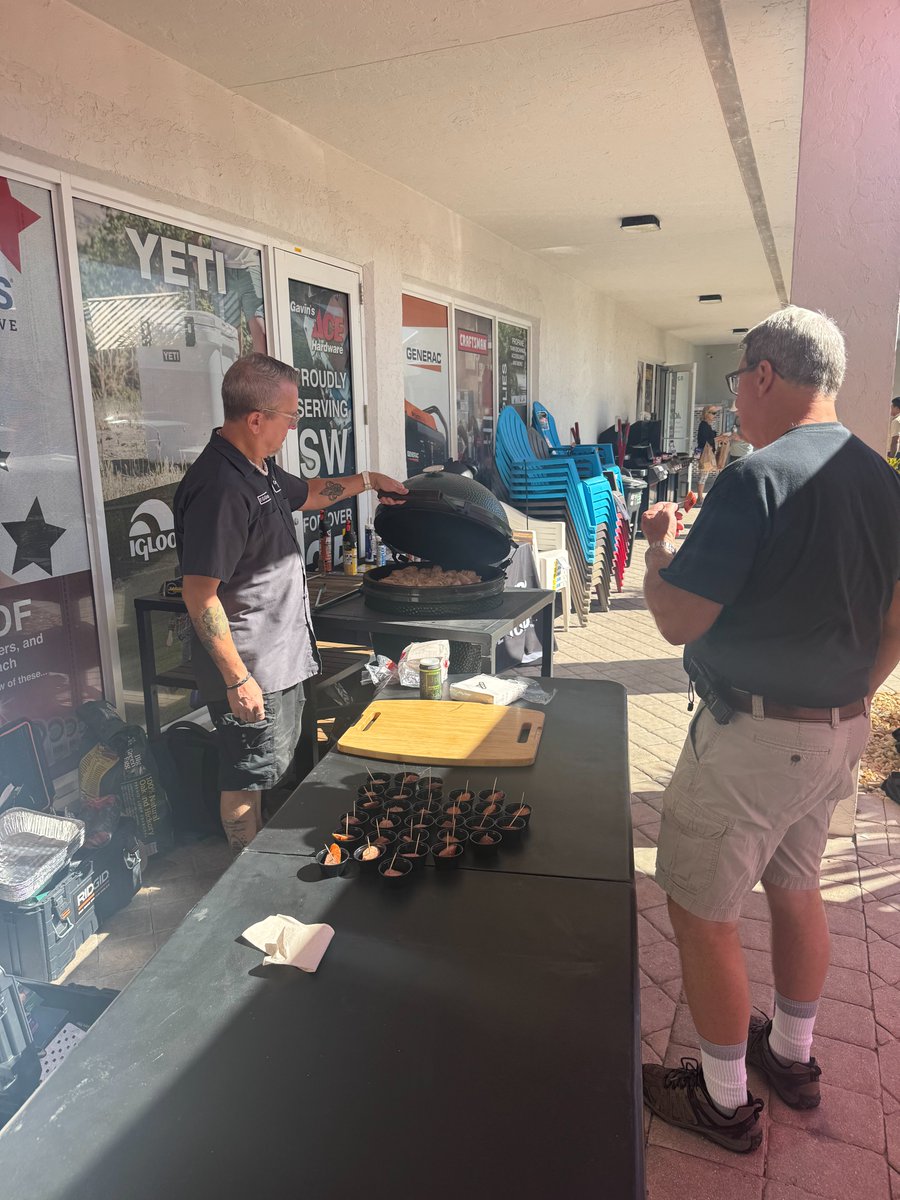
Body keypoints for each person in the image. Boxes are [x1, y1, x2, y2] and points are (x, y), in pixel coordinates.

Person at [639, 306, 900, 1153]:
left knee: (701, 909)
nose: (736, 407)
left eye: (736, 385)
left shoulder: (755, 478)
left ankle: (723, 1099)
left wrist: (654, 555)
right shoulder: (883, 478)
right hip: (840, 733)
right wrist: (846, 697)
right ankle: (791, 1056)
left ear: (762, 375)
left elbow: (679, 620)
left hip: (754, 740)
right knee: (796, 888)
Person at [174, 353, 407, 854]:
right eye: (290, 418)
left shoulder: (259, 469)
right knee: (246, 775)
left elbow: (314, 494)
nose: (293, 427)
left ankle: (263, 861)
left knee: (273, 767)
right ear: (256, 418)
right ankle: (242, 881)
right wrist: (238, 679)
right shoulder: (221, 488)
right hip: (250, 667)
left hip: (281, 660)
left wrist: (368, 480)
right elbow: (200, 592)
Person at [694, 406, 723, 502]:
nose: (715, 415)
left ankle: (700, 497)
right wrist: (718, 438)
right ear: (707, 413)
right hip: (704, 453)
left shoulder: (707, 425)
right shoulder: (704, 425)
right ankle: (700, 498)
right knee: (703, 474)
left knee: (704, 474)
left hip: (705, 453)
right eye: (713, 413)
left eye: (715, 413)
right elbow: (705, 441)